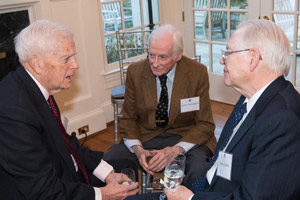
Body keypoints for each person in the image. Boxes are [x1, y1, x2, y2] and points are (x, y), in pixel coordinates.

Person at [127, 19, 300, 200]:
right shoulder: (250, 99)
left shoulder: (283, 120)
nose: (221, 59)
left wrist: (190, 198)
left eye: (228, 52)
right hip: (209, 189)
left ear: (253, 59)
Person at [0, 19, 138, 200]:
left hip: (66, 175)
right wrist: (103, 195)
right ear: (37, 63)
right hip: (53, 189)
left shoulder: (38, 87)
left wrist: (107, 174)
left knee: (126, 164)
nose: (76, 65)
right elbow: (44, 191)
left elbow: (65, 142)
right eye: (66, 58)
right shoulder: (14, 112)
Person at [104, 24, 217, 189]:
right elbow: (128, 119)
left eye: (163, 57)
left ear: (178, 55)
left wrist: (176, 150)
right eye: (151, 55)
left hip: (184, 135)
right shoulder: (136, 72)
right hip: (146, 136)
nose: (155, 63)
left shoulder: (197, 73)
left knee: (200, 170)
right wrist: (138, 150)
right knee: (110, 160)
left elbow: (205, 124)